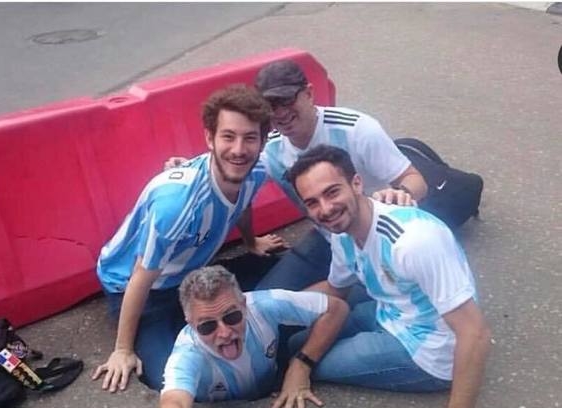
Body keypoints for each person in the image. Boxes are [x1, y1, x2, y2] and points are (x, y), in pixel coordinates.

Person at [286, 144, 491, 408]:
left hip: (429, 351)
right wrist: (265, 305)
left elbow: (475, 333)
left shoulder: (414, 242)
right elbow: (335, 291)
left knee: (308, 362)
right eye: (312, 202)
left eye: (332, 192)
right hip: (392, 312)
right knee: (295, 343)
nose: (325, 208)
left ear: (356, 183)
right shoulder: (342, 232)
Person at [166, 59, 428, 292]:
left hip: (376, 239)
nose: (281, 112)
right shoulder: (270, 148)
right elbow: (235, 177)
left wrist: (400, 194)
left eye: (287, 100)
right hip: (329, 238)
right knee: (269, 301)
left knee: (364, 308)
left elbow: (415, 179)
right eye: (271, 105)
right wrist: (188, 170)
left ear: (309, 94)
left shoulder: (357, 129)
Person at [92, 85, 286, 393]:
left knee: (285, 269)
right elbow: (141, 276)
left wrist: (251, 242)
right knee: (168, 377)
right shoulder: (177, 204)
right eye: (228, 136)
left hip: (191, 274)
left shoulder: (256, 170)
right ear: (209, 138)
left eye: (250, 138)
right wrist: (123, 350)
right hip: (140, 287)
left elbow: (243, 202)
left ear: (262, 142)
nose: (239, 149)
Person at [152, 265, 349, 408]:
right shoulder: (187, 353)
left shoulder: (264, 305)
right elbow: (172, 402)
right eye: (207, 326)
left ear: (244, 305)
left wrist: (301, 364)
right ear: (190, 324)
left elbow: (336, 309)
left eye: (231, 317)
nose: (224, 333)